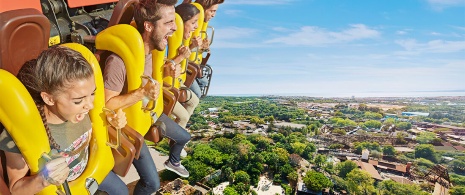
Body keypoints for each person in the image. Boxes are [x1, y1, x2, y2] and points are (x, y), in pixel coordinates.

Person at [0, 47, 128, 194]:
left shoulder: (81, 109)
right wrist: (43, 179)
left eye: (92, 94)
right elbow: (16, 189)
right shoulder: (23, 132)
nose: (90, 105)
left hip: (94, 173)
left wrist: (113, 123)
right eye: (78, 101)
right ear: (49, 98)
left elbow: (98, 130)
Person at [103, 1, 191, 192]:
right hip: (130, 126)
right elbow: (106, 103)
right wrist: (141, 93)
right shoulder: (118, 61)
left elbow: (151, 78)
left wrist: (169, 70)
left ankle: (173, 160)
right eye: (168, 23)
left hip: (149, 116)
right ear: (149, 26)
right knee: (152, 183)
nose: (175, 28)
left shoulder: (153, 53)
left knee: (184, 136)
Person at [188, 0, 225, 98]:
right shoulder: (190, 27)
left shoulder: (202, 28)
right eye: (212, 11)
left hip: (194, 63)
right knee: (197, 93)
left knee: (204, 82)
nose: (214, 15)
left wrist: (204, 48)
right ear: (203, 9)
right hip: (187, 65)